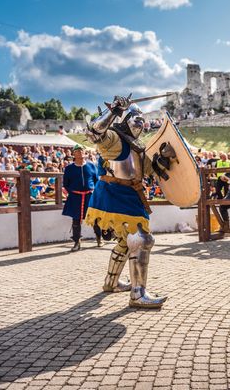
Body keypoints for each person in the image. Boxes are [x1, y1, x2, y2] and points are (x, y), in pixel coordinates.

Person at [85, 96, 172, 309]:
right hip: (114, 194)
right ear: (125, 120)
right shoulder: (115, 139)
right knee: (141, 239)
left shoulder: (138, 148)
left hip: (131, 196)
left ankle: (111, 283)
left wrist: (164, 157)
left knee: (127, 242)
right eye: (136, 118)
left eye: (143, 120)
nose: (141, 123)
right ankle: (138, 294)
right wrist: (114, 110)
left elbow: (151, 171)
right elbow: (94, 134)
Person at [62, 144, 102, 252]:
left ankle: (99, 237)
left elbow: (96, 181)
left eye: (81, 151)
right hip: (75, 197)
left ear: (84, 153)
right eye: (77, 151)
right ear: (73, 154)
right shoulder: (69, 168)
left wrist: (94, 192)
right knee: (76, 220)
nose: (80, 153)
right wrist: (74, 193)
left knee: (94, 219)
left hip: (90, 196)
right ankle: (76, 242)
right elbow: (66, 184)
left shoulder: (92, 166)